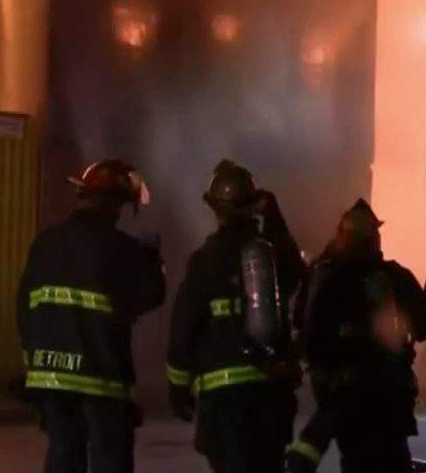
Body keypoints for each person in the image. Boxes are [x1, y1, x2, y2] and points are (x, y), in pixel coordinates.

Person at [17, 159, 166, 473]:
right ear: (114, 203)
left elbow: (24, 308)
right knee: (110, 459)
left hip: (49, 375)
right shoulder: (123, 249)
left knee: (63, 455)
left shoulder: (44, 243)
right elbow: (148, 297)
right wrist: (152, 261)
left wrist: (34, 360)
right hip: (101, 377)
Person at [167, 160, 304, 473]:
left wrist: (178, 387)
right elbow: (296, 274)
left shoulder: (205, 261)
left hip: (224, 398)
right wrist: (275, 221)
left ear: (216, 210)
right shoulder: (270, 254)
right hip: (270, 392)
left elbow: (183, 328)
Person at [289, 199, 426, 473]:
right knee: (394, 462)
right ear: (374, 238)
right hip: (390, 399)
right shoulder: (394, 276)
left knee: (356, 461)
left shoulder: (323, 276)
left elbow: (305, 329)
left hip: (344, 400)